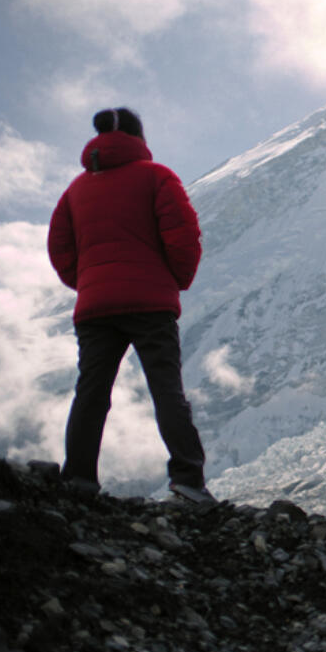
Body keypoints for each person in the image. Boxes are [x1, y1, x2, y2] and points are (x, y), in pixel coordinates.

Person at [47, 107, 215, 504]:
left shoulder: (74, 191)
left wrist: (87, 282)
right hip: (149, 303)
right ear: (139, 139)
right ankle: (188, 481)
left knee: (91, 392)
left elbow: (59, 247)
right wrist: (176, 279)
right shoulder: (157, 177)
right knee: (166, 390)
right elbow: (182, 234)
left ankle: (79, 480)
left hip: (95, 307)